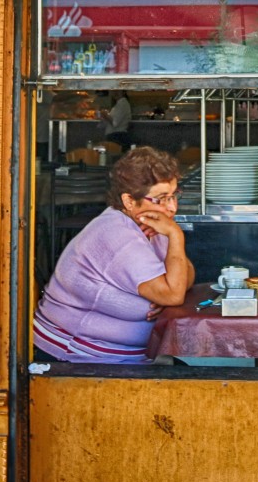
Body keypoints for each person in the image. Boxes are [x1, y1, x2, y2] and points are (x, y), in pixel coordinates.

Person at [33, 147, 194, 363]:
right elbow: (175, 293)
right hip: (77, 358)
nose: (172, 207)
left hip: (124, 357)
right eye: (161, 198)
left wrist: (169, 291)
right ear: (128, 201)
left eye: (174, 196)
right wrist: (176, 235)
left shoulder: (152, 225)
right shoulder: (117, 234)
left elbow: (185, 275)